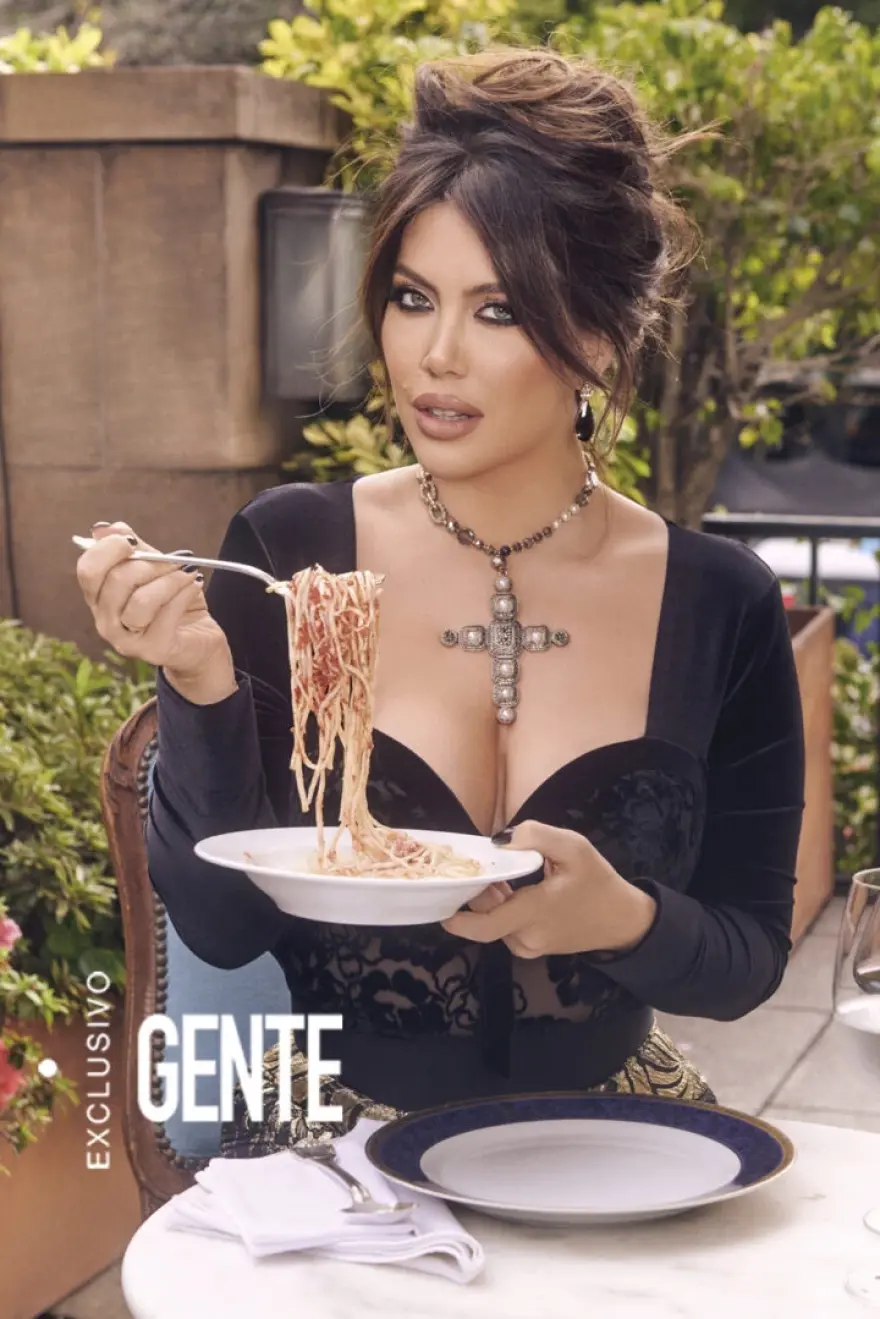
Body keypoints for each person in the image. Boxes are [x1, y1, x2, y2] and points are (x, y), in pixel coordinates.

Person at [76, 49, 805, 1147]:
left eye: (498, 310)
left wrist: (623, 917)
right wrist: (200, 683)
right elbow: (223, 927)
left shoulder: (719, 602)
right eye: (412, 299)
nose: (435, 355)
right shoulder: (293, 553)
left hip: (606, 1139)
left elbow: (748, 958)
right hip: (333, 1146)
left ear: (597, 335)